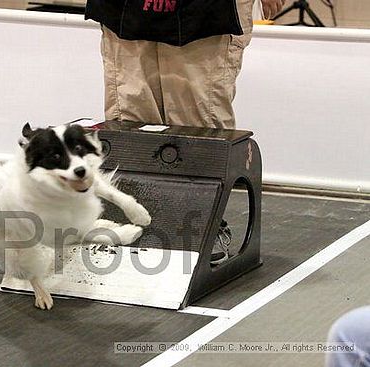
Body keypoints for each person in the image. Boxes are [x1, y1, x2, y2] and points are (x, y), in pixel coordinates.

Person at [84, 0, 285, 265]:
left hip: (204, 16)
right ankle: (131, 226)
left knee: (197, 124)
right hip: (127, 10)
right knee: (131, 120)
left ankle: (202, 226)